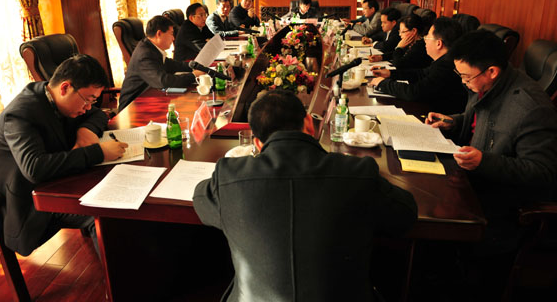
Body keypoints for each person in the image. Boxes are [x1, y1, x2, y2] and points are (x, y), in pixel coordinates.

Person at [193, 90, 417, 301]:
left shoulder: (229, 177)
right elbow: (406, 214)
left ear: (258, 144)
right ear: (309, 123)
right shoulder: (358, 173)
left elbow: (200, 200)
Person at [425, 30, 557, 299]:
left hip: (501, 206)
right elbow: (479, 120)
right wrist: (453, 122)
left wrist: (484, 161)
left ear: (492, 71)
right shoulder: (487, 85)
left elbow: (543, 172)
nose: (464, 83)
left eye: (466, 77)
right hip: (471, 181)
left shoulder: (531, 108)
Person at [0, 54, 128, 256]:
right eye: (87, 100)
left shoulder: (53, 96)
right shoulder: (20, 115)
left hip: (55, 184)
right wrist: (98, 152)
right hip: (24, 205)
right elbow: (35, 169)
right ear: (65, 88)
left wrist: (85, 130)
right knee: (102, 212)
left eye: (93, 100)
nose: (88, 107)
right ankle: (121, 276)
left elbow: (96, 114)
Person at [369, 17, 467, 114]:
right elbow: (421, 73)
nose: (424, 40)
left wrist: (383, 84)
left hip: (438, 116)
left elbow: (414, 92)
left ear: (439, 44)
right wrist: (390, 73)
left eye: (427, 36)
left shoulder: (447, 66)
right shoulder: (444, 61)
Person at [118, 15, 204, 111]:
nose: (173, 38)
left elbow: (171, 65)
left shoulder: (150, 47)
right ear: (159, 33)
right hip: (132, 108)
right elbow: (163, 81)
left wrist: (196, 66)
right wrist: (193, 76)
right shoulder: (145, 54)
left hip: (148, 99)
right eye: (171, 34)